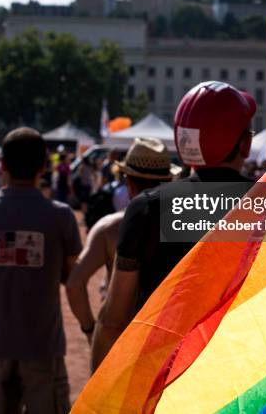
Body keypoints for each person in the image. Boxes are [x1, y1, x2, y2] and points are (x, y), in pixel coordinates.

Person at [92, 81, 256, 369]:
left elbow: (112, 320)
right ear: (245, 144)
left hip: (160, 375)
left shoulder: (147, 208)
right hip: (241, 378)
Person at [0, 128, 82, 414]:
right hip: (43, 346)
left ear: (2, 165)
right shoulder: (61, 216)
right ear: (44, 167)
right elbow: (70, 278)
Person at [66, 138, 178, 346]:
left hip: (119, 341)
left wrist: (89, 328)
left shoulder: (109, 228)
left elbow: (74, 284)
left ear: (128, 182)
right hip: (168, 338)